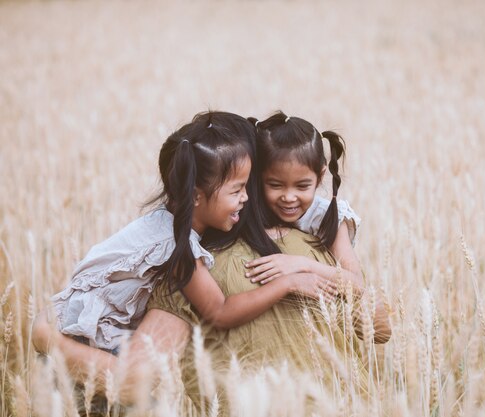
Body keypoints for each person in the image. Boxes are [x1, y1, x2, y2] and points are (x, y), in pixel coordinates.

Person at [44, 110, 337, 354]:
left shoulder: (172, 224)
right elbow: (220, 313)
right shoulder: (177, 246)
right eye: (237, 190)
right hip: (84, 339)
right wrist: (289, 284)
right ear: (196, 195)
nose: (247, 198)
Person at [243, 111, 365, 300]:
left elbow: (357, 284)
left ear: (320, 176)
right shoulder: (248, 207)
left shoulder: (328, 216)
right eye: (275, 185)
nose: (289, 197)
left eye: (302, 186)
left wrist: (301, 264)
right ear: (259, 177)